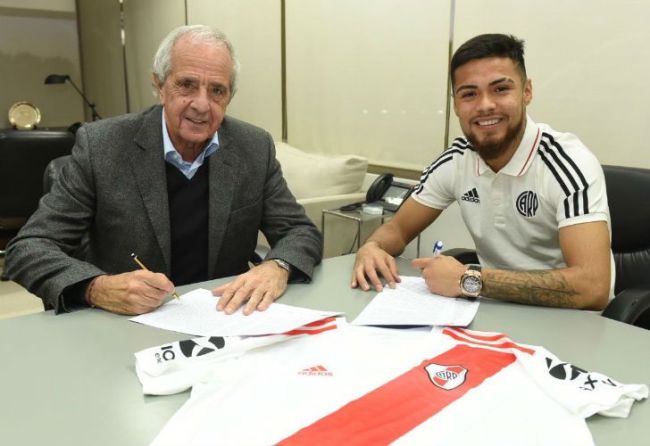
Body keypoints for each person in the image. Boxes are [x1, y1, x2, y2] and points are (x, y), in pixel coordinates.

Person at [5, 25, 322, 316]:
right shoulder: (101, 146)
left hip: (222, 318)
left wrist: (278, 266)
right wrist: (95, 288)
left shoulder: (253, 147)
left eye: (217, 91)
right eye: (186, 85)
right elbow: (29, 248)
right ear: (159, 85)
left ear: (229, 97)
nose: (201, 104)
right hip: (124, 323)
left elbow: (299, 231)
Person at [351, 33, 613, 310]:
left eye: (500, 89)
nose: (485, 105)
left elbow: (592, 287)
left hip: (573, 320)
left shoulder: (568, 162)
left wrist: (469, 280)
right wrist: (372, 248)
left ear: (527, 92)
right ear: (455, 105)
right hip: (494, 311)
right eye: (469, 94)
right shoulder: (456, 160)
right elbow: (397, 229)